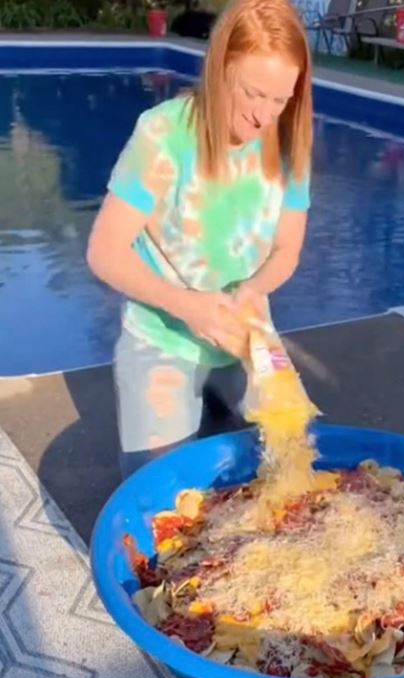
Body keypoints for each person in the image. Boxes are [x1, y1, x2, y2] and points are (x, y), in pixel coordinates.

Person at [87, 0, 313, 478]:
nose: (264, 118)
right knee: (161, 496)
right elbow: (104, 253)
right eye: (253, 94)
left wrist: (254, 290)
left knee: (295, 460)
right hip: (163, 340)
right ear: (219, 68)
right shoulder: (164, 134)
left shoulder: (290, 141)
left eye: (280, 100)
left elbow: (287, 248)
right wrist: (188, 305)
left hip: (247, 335)